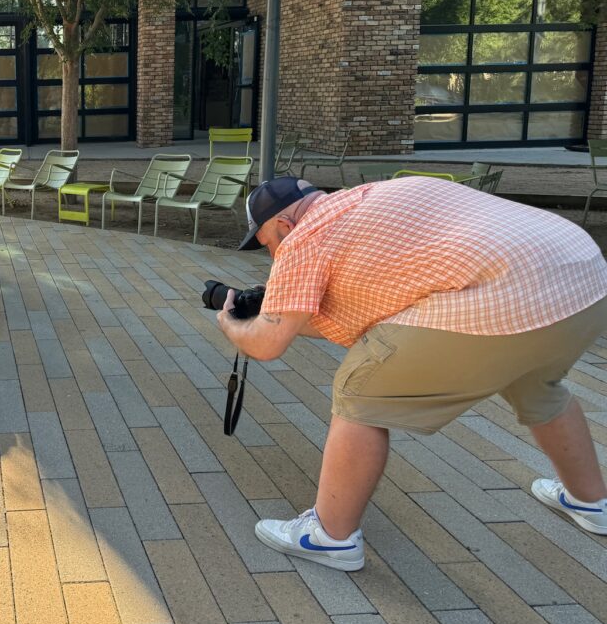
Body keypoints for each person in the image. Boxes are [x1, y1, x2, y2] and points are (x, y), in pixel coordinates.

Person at [217, 175, 607, 571]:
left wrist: (230, 324)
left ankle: (330, 537)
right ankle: (590, 501)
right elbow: (365, 308)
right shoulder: (374, 199)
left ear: (284, 224)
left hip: (503, 290)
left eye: (266, 243)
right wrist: (280, 314)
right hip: (584, 277)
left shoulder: (306, 235)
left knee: (360, 391)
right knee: (537, 382)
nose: (272, 256)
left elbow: (266, 345)